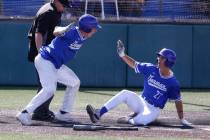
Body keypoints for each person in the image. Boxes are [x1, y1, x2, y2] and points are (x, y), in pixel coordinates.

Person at [16, 14, 101, 125]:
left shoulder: (83, 35)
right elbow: (56, 31)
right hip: (45, 60)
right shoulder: (72, 32)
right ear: (87, 28)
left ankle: (63, 114)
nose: (95, 30)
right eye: (94, 28)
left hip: (55, 64)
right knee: (49, 89)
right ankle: (24, 113)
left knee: (74, 82)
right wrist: (62, 30)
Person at [86, 40, 192, 126]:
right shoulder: (151, 68)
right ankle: (98, 114)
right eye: (159, 56)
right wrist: (122, 55)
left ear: (168, 61)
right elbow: (134, 64)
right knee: (125, 93)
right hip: (141, 101)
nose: (158, 58)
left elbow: (178, 101)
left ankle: (130, 119)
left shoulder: (173, 83)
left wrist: (182, 119)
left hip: (153, 109)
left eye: (161, 57)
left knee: (140, 122)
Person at [27, 0, 70, 121]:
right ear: (56, 1)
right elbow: (39, 34)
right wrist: (41, 53)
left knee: (47, 83)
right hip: (42, 52)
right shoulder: (48, 12)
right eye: (63, 5)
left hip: (48, 52)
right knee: (47, 84)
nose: (64, 8)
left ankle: (42, 110)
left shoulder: (55, 10)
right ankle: (39, 112)